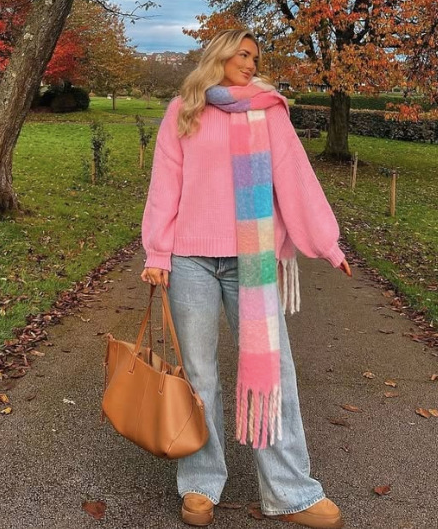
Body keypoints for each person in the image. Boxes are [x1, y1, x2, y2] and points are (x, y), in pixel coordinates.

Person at [140, 29, 352, 529]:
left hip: (251, 264)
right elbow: (165, 185)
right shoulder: (183, 109)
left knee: (272, 372)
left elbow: (297, 178)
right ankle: (199, 484)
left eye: (256, 57)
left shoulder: (269, 110)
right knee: (200, 376)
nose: (252, 63)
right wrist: (157, 251)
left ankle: (291, 491)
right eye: (244, 54)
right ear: (219, 54)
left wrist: (326, 242)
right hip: (190, 259)